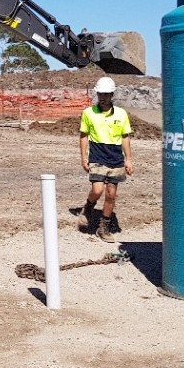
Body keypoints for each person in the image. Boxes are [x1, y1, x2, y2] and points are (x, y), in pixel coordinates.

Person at [77, 76, 133, 244]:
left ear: (112, 95)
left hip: (115, 157)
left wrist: (128, 159)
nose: (103, 97)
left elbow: (125, 137)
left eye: (106, 94)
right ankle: (88, 208)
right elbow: (83, 135)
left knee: (111, 194)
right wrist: (83, 157)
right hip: (97, 155)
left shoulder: (121, 114)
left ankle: (103, 228)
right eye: (100, 94)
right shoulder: (88, 113)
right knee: (97, 190)